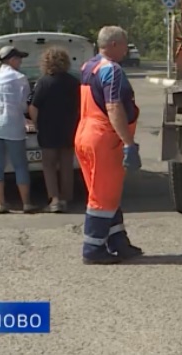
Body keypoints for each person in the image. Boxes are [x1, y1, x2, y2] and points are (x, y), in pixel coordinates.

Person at [74, 26, 143, 264]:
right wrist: (128, 143)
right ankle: (93, 249)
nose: (127, 48)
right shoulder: (111, 70)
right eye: (125, 44)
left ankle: (117, 241)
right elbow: (113, 107)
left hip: (85, 133)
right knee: (102, 197)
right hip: (104, 138)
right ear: (114, 45)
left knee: (107, 194)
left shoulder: (88, 66)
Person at [0, 45, 38, 214]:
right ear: (12, 60)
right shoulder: (19, 78)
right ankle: (26, 203)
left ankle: (0, 203)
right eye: (19, 59)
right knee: (20, 165)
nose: (20, 62)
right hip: (11, 125)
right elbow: (24, 104)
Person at [29, 46, 81, 213]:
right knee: (67, 165)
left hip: (48, 130)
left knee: (49, 165)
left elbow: (34, 107)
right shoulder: (74, 82)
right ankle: (66, 198)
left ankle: (55, 200)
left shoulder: (44, 82)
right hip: (69, 129)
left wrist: (36, 124)